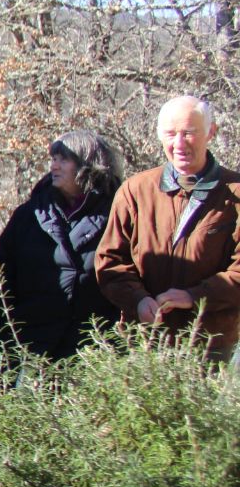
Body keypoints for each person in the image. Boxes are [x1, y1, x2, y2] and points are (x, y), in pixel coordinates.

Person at [95, 95, 240, 359]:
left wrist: (194, 297)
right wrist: (138, 300)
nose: (179, 143)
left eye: (189, 133)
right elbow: (110, 262)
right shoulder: (136, 191)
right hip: (144, 346)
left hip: (212, 349)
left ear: (211, 133)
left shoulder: (235, 193)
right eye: (171, 134)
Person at [0, 130, 125, 376]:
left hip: (92, 350)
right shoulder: (29, 214)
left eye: (64, 159)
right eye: (53, 159)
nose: (54, 166)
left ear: (88, 166)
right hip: (29, 346)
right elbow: (2, 274)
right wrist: (7, 329)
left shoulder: (119, 214)